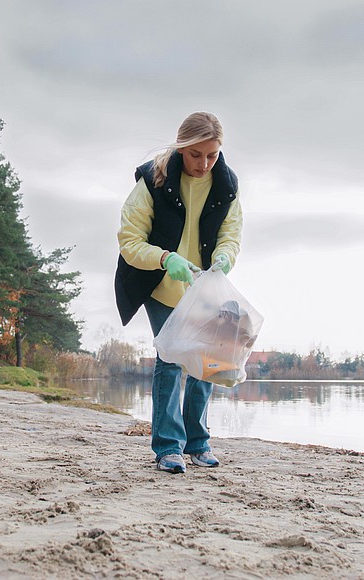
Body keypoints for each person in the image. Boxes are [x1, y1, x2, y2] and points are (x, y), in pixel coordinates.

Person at [115, 112, 243, 474]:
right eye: (196, 155)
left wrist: (224, 255)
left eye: (212, 155)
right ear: (182, 147)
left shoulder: (227, 185)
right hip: (160, 283)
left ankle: (198, 442)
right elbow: (129, 241)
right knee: (170, 360)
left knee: (208, 362)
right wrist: (165, 259)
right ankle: (168, 447)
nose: (204, 165)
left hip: (202, 286)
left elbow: (231, 234)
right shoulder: (152, 180)